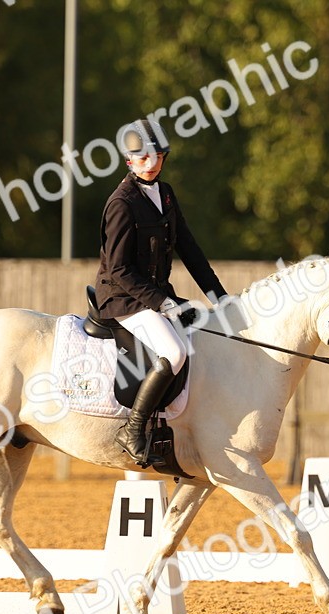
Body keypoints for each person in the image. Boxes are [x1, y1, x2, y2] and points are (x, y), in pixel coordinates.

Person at [94, 119, 228, 466]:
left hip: (153, 295)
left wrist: (221, 298)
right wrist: (165, 304)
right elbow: (120, 270)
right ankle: (133, 429)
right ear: (129, 161)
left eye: (157, 156)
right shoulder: (121, 203)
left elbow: (190, 249)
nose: (151, 164)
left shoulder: (165, 193)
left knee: (205, 330)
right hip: (123, 299)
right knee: (173, 351)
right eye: (143, 158)